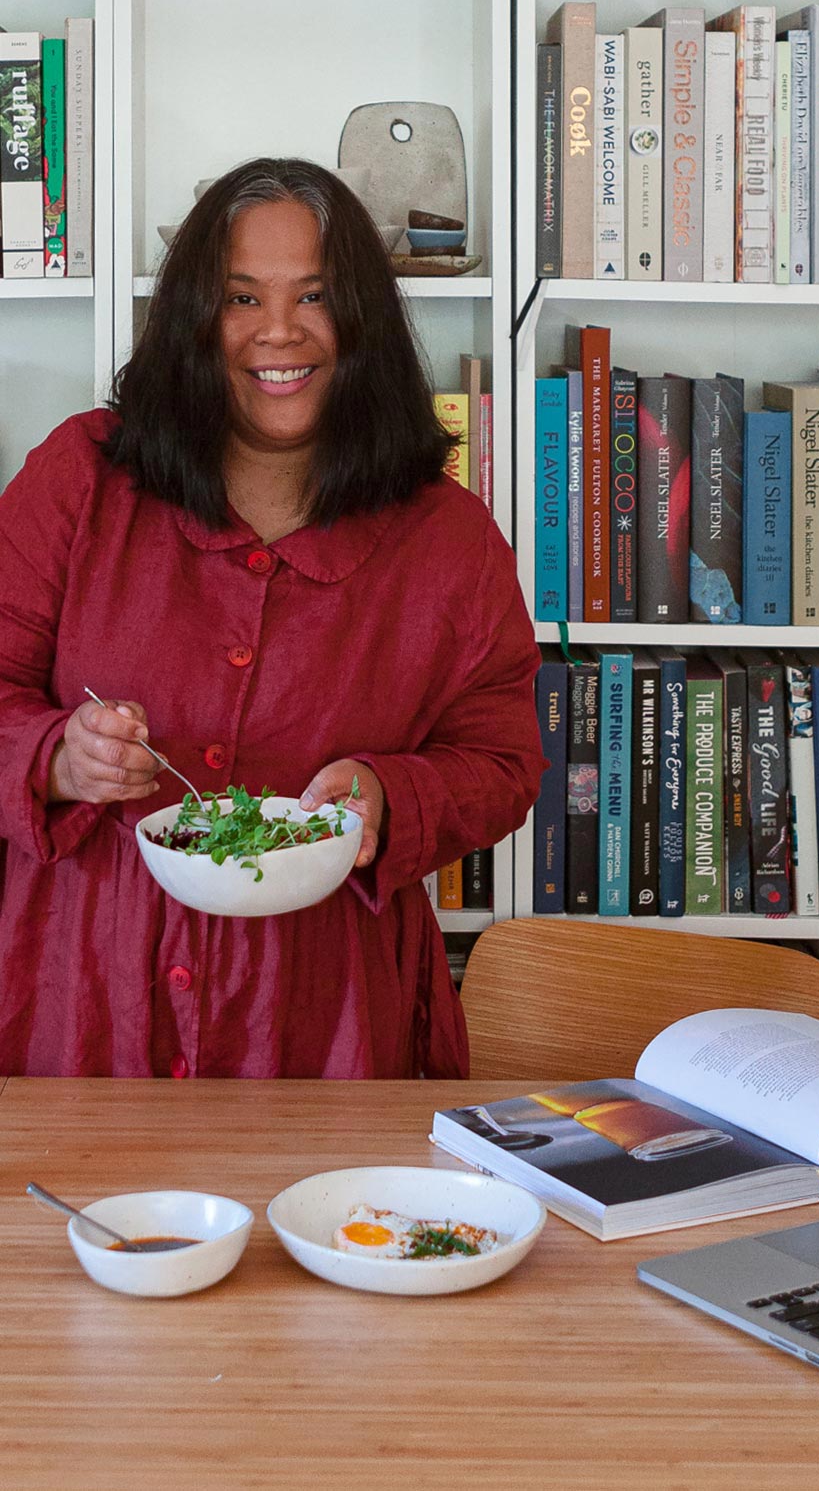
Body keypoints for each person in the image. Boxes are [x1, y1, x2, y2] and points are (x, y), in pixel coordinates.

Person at [0, 158, 543, 1078]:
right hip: (83, 1001)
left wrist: (386, 798)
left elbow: (502, 763)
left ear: (361, 319)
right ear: (193, 322)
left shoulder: (447, 535)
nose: (278, 331)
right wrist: (56, 755)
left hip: (326, 1020)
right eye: (241, 298)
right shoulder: (80, 478)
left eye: (316, 295)